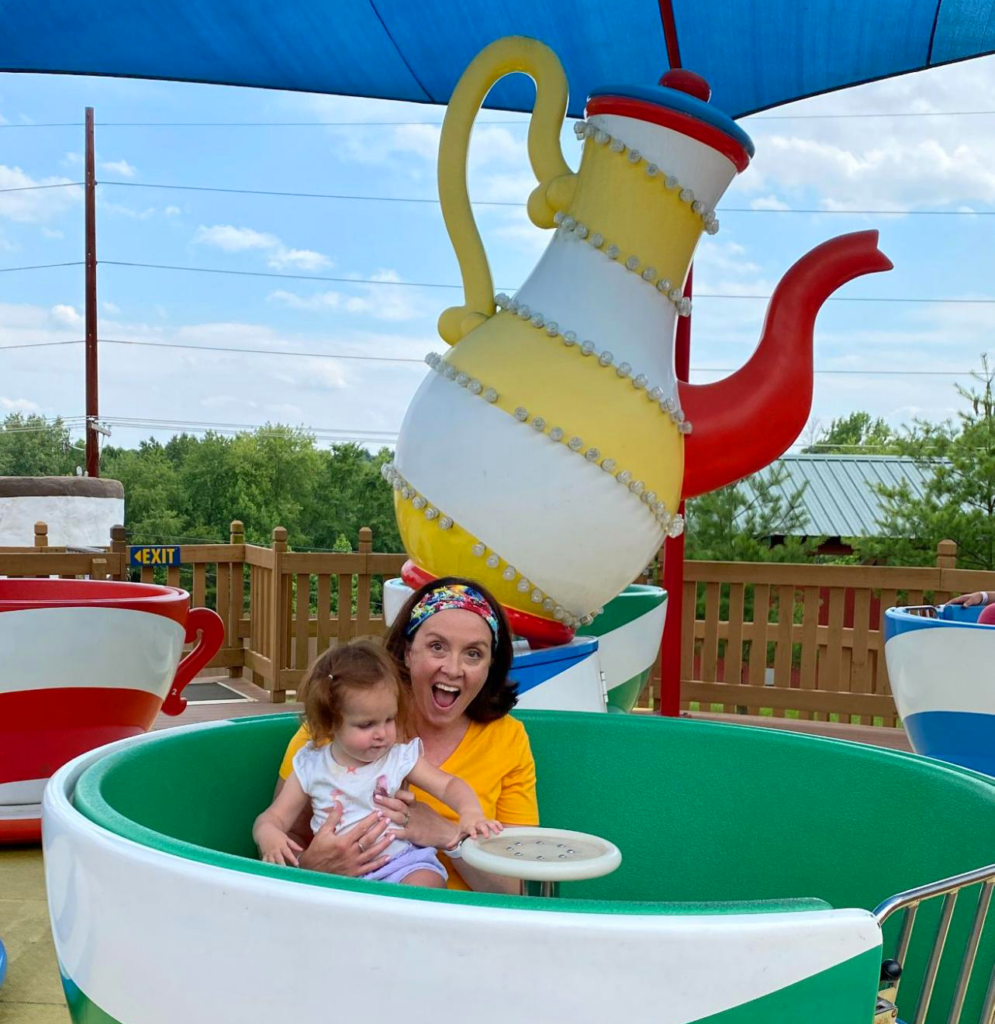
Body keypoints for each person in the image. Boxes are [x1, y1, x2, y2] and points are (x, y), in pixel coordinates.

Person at [273, 577, 538, 894]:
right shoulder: (337, 725)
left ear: (490, 666)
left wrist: (449, 836)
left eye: (473, 654)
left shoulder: (508, 739)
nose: (453, 669)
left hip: (461, 927)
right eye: (437, 647)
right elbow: (276, 850)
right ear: (408, 652)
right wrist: (313, 867)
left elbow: (512, 890)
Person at [253, 639, 503, 887]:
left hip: (402, 862)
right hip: (339, 873)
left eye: (389, 719)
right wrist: (269, 835)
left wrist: (470, 813)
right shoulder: (311, 767)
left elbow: (448, 785)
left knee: (426, 882)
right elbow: (272, 818)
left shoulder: (397, 758)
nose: (382, 733)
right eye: (366, 724)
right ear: (330, 723)